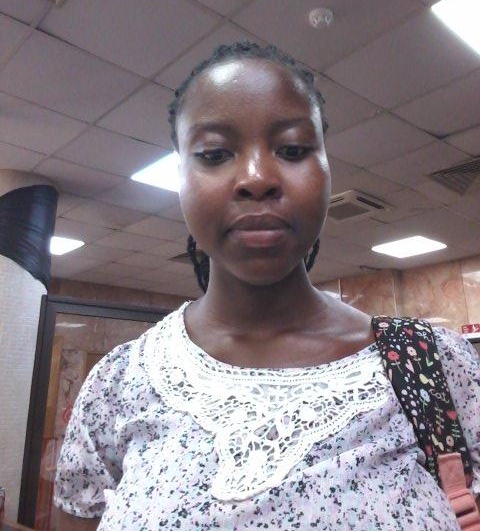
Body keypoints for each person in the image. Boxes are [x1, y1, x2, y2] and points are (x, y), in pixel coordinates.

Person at [53, 42, 480, 530]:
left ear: (326, 167)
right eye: (215, 154)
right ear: (181, 176)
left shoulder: (437, 366)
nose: (257, 179)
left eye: (292, 150)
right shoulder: (117, 384)